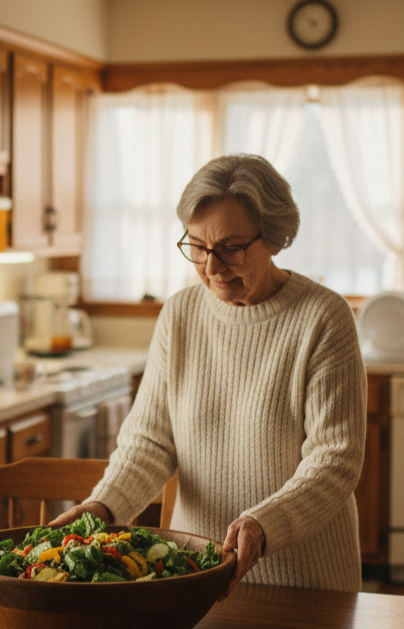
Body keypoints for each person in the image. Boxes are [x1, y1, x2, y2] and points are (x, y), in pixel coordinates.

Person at [52, 153, 366, 596]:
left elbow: (334, 461)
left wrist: (264, 524)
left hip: (305, 586)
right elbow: (149, 443)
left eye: (231, 248)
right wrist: (102, 508)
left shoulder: (323, 317)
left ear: (275, 239)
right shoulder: (180, 315)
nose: (212, 268)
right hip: (194, 576)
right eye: (197, 247)